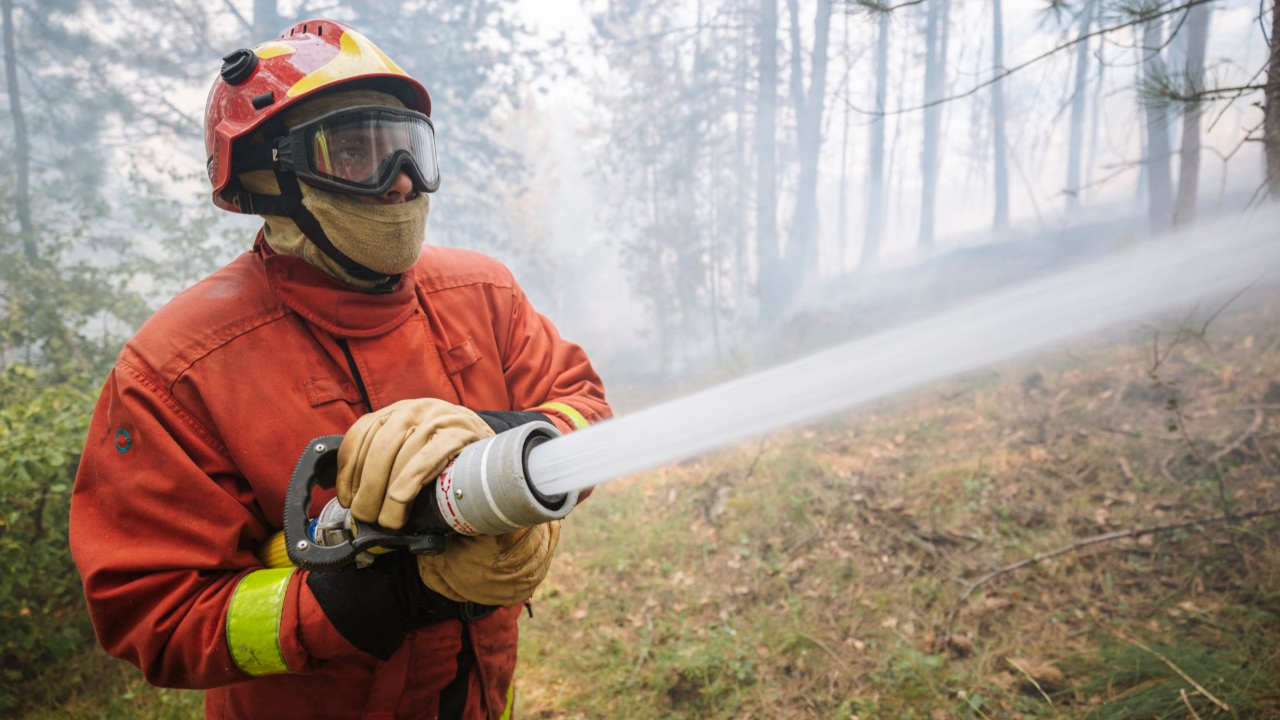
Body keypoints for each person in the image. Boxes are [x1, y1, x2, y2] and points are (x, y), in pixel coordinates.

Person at [68, 18, 609, 719]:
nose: (401, 183)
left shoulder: (484, 294)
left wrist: (495, 442)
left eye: (407, 150)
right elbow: (156, 615)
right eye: (356, 152)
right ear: (267, 176)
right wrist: (402, 592)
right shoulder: (174, 372)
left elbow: (581, 406)